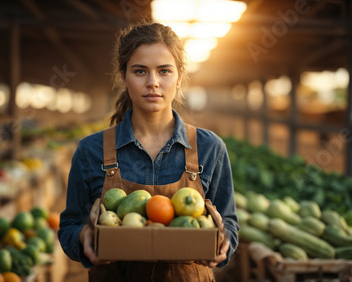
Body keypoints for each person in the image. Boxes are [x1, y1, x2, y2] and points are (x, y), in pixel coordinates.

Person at [58, 22, 239, 281]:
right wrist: (83, 237)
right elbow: (70, 226)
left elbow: (230, 224)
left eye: (164, 71)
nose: (153, 82)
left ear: (179, 77)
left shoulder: (210, 149)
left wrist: (223, 243)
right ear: (123, 76)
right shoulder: (91, 151)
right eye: (140, 71)